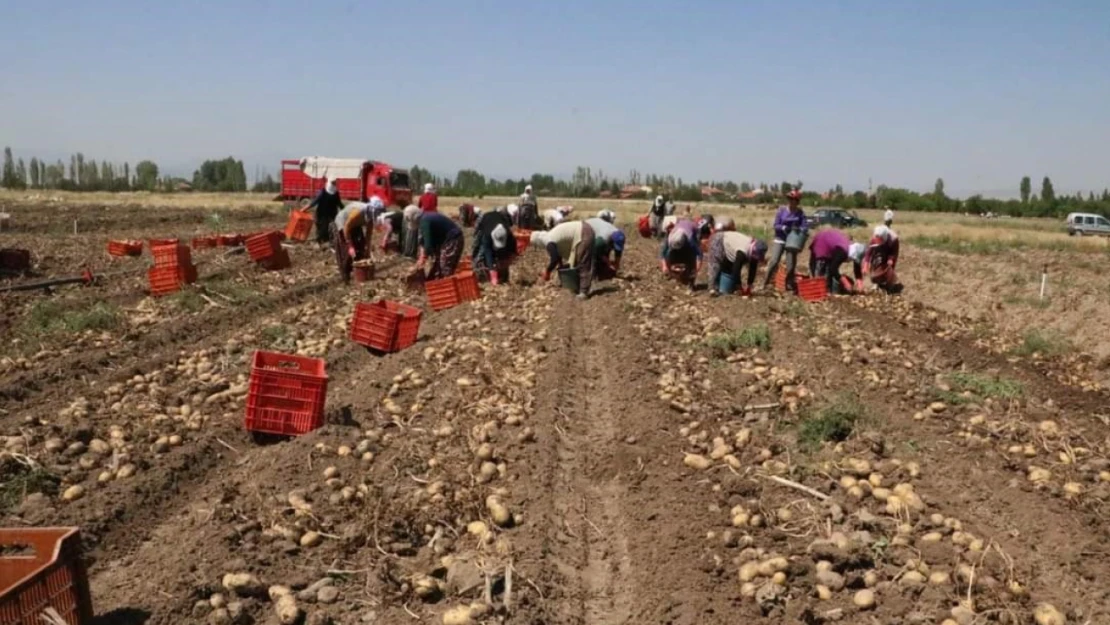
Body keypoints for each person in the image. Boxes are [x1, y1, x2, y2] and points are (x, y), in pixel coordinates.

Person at [535, 220, 598, 299]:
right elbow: (558, 255)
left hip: (583, 232)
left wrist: (548, 271)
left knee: (583, 262)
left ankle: (584, 292)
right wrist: (561, 267)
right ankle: (583, 286)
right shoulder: (550, 235)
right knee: (579, 261)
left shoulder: (548, 241)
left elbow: (554, 258)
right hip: (584, 229)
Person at [761, 189, 808, 293]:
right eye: (790, 199)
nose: (791, 201)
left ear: (797, 201)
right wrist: (783, 227)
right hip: (780, 239)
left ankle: (789, 285)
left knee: (791, 264)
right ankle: (765, 283)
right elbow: (776, 225)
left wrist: (799, 229)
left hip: (792, 240)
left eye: (794, 200)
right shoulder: (781, 211)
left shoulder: (800, 213)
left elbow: (805, 226)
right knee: (774, 261)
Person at [706, 219, 768, 297]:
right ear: (754, 251)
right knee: (715, 264)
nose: (756, 257)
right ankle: (712, 288)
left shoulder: (753, 252)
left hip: (732, 243)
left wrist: (749, 286)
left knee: (727, 266)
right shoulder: (742, 252)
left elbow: (753, 268)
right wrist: (739, 286)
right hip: (720, 238)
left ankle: (723, 285)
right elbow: (736, 270)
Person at [331, 197, 384, 283]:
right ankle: (345, 276)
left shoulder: (370, 216)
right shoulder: (358, 212)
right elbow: (346, 227)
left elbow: (368, 234)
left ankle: (360, 271)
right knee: (346, 251)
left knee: (361, 247)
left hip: (355, 225)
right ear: (372, 209)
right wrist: (349, 244)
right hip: (343, 224)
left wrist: (367, 247)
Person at [808, 228, 864, 294]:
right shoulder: (843, 252)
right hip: (822, 242)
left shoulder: (854, 251)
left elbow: (857, 267)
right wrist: (844, 281)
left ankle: (828, 290)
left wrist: (859, 281)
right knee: (821, 271)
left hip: (829, 242)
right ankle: (819, 291)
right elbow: (833, 268)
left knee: (828, 271)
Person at [417, 211, 464, 280]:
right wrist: (421, 255)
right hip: (447, 240)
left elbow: (428, 243)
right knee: (438, 263)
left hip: (453, 239)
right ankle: (434, 281)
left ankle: (447, 285)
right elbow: (422, 241)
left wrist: (424, 257)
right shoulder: (425, 218)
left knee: (445, 266)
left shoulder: (425, 222)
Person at [471, 208, 517, 278]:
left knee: (503, 253)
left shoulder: (509, 235)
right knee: (481, 250)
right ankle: (481, 271)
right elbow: (487, 251)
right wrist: (492, 269)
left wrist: (508, 260)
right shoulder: (487, 235)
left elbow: (513, 248)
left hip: (500, 218)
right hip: (485, 222)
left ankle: (503, 275)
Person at [660, 218, 702, 291]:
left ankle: (691, 283)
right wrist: (665, 266)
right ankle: (674, 275)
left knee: (691, 257)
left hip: (692, 230)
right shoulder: (669, 237)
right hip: (679, 234)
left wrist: (696, 269)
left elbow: (699, 254)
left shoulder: (690, 239)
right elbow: (663, 253)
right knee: (670, 255)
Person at [865, 225, 902, 294]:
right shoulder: (874, 238)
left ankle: (889, 284)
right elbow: (869, 251)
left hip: (890, 248)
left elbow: (894, 252)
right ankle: (876, 283)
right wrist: (866, 263)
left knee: (890, 267)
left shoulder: (894, 239)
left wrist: (890, 259)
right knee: (876, 261)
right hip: (880, 247)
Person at [308, 178, 344, 246]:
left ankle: (327, 242)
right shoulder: (323, 192)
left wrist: (346, 211)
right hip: (322, 215)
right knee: (322, 229)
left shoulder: (333, 193)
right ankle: (319, 242)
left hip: (330, 215)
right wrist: (304, 208)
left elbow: (340, 204)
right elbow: (314, 202)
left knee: (329, 229)